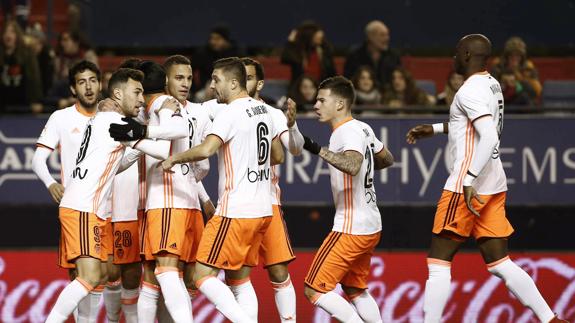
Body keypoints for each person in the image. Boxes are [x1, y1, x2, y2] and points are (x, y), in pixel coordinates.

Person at [405, 34, 568, 323]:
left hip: (465, 187)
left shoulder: (468, 91)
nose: (453, 57)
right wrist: (434, 128)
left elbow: (489, 135)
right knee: (500, 263)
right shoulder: (491, 84)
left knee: (438, 261)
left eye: (456, 52)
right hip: (494, 182)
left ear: (467, 55)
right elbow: (470, 125)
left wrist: (468, 179)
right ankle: (550, 319)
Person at [161, 57, 283, 323]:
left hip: (235, 211)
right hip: (263, 209)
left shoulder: (229, 113)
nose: (212, 86)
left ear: (234, 82)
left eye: (216, 80)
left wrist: (174, 158)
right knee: (239, 280)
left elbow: (206, 149)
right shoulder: (265, 111)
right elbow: (278, 156)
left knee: (201, 276)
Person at [45, 68, 171, 323]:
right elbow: (163, 150)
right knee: (90, 277)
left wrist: (139, 142)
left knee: (101, 276)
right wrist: (167, 115)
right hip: (83, 208)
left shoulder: (103, 120)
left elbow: (118, 165)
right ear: (117, 93)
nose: (140, 99)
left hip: (92, 209)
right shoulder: (116, 122)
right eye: (136, 92)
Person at [298, 76, 394, 322]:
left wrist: (316, 149)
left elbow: (352, 165)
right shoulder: (363, 127)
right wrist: (366, 171)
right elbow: (387, 159)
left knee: (315, 289)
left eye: (321, 100)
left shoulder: (345, 132)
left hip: (351, 227)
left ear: (340, 104)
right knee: (354, 288)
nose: (316, 105)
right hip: (371, 224)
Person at [218, 57, 303, 322]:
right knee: (236, 276)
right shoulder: (225, 110)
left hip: (268, 201)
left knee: (278, 271)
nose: (246, 81)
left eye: (251, 77)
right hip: (237, 204)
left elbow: (295, 149)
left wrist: (292, 125)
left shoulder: (273, 114)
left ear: (260, 83)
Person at [108, 60, 194, 323]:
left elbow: (170, 140)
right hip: (148, 203)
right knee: (151, 275)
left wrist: (140, 133)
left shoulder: (159, 104)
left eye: (138, 90)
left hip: (164, 201)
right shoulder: (136, 112)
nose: (186, 84)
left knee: (167, 273)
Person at [32, 60, 105, 323]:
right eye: (82, 82)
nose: (88, 87)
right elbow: (37, 159)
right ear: (73, 89)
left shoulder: (111, 118)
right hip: (79, 206)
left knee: (99, 277)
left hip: (107, 207)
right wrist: (50, 183)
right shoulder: (61, 118)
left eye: (93, 80)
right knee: (84, 276)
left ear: (101, 83)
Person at [0, 18, 43, 113]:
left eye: (12, 32)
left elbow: (34, 79)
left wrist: (34, 101)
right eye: (6, 32)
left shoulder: (27, 54)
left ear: (17, 35)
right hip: (3, 105)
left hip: (23, 104)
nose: (8, 35)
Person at [344, 20, 401, 89]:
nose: (387, 38)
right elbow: (348, 81)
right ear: (370, 36)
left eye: (387, 35)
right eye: (382, 35)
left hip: (387, 96)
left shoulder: (393, 55)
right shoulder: (354, 55)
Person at [281, 20, 336, 85]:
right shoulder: (299, 52)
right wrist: (290, 42)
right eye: (317, 37)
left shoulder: (324, 50)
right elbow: (285, 58)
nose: (321, 39)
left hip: (320, 89)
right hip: (301, 90)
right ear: (309, 36)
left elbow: (332, 73)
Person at [192, 25, 243, 95]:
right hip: (206, 89)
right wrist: (195, 90)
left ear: (226, 40)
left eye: (217, 39)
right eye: (211, 38)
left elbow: (242, 74)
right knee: (199, 96)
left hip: (231, 89)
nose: (212, 42)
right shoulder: (202, 53)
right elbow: (190, 70)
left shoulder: (237, 54)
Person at [490, 36, 541, 102]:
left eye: (517, 55)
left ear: (522, 57)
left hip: (523, 105)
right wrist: (503, 83)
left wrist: (519, 77)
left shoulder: (529, 69)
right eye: (511, 55)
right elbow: (491, 92)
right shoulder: (497, 68)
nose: (514, 58)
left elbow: (534, 93)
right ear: (506, 57)